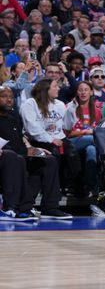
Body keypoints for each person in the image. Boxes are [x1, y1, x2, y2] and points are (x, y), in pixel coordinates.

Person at [0, 85, 57, 222]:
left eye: (11, 97)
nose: (9, 100)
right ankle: (11, 208)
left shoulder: (14, 115)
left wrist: (31, 148)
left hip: (18, 152)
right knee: (15, 158)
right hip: (5, 156)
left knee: (48, 159)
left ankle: (49, 207)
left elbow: (20, 139)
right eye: (4, 97)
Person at [19, 78, 72, 219]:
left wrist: (73, 109)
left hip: (55, 140)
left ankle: (38, 205)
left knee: (72, 155)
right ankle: (49, 206)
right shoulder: (30, 104)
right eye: (55, 86)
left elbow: (65, 126)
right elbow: (32, 130)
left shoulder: (60, 104)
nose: (58, 89)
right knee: (49, 160)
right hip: (33, 143)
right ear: (45, 89)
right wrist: (51, 140)